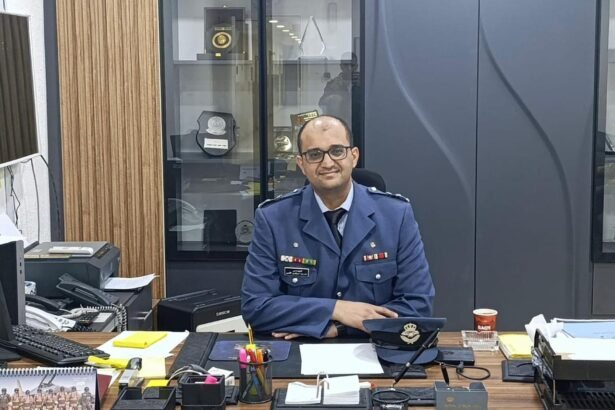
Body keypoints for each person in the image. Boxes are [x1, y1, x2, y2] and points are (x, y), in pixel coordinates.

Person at [241, 115, 435, 339]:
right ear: (301, 164)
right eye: (315, 154)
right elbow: (256, 307)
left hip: (376, 347)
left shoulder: (396, 215)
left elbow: (417, 306)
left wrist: (339, 328)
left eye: (337, 151)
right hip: (301, 351)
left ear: (354, 156)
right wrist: (336, 309)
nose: (327, 163)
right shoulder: (274, 218)